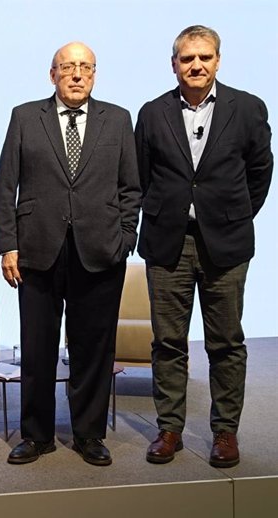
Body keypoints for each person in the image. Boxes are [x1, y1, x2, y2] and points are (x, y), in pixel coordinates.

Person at [0, 42, 140, 467]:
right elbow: (7, 185)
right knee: (37, 348)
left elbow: (131, 188)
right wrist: (8, 245)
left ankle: (89, 434)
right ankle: (36, 435)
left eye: (85, 67)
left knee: (93, 348)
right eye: (68, 67)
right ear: (52, 73)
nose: (77, 74)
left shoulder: (117, 119)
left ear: (95, 74)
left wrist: (124, 237)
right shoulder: (25, 116)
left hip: (100, 251)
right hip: (38, 250)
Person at [136, 25, 273, 468]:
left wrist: (230, 216)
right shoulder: (152, 112)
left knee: (226, 343)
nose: (195, 65)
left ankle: (225, 433)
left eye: (204, 57)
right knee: (168, 342)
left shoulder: (248, 108)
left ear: (217, 61)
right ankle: (169, 428)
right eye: (186, 58)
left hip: (225, 245)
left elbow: (260, 171)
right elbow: (140, 176)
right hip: (167, 245)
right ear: (174, 63)